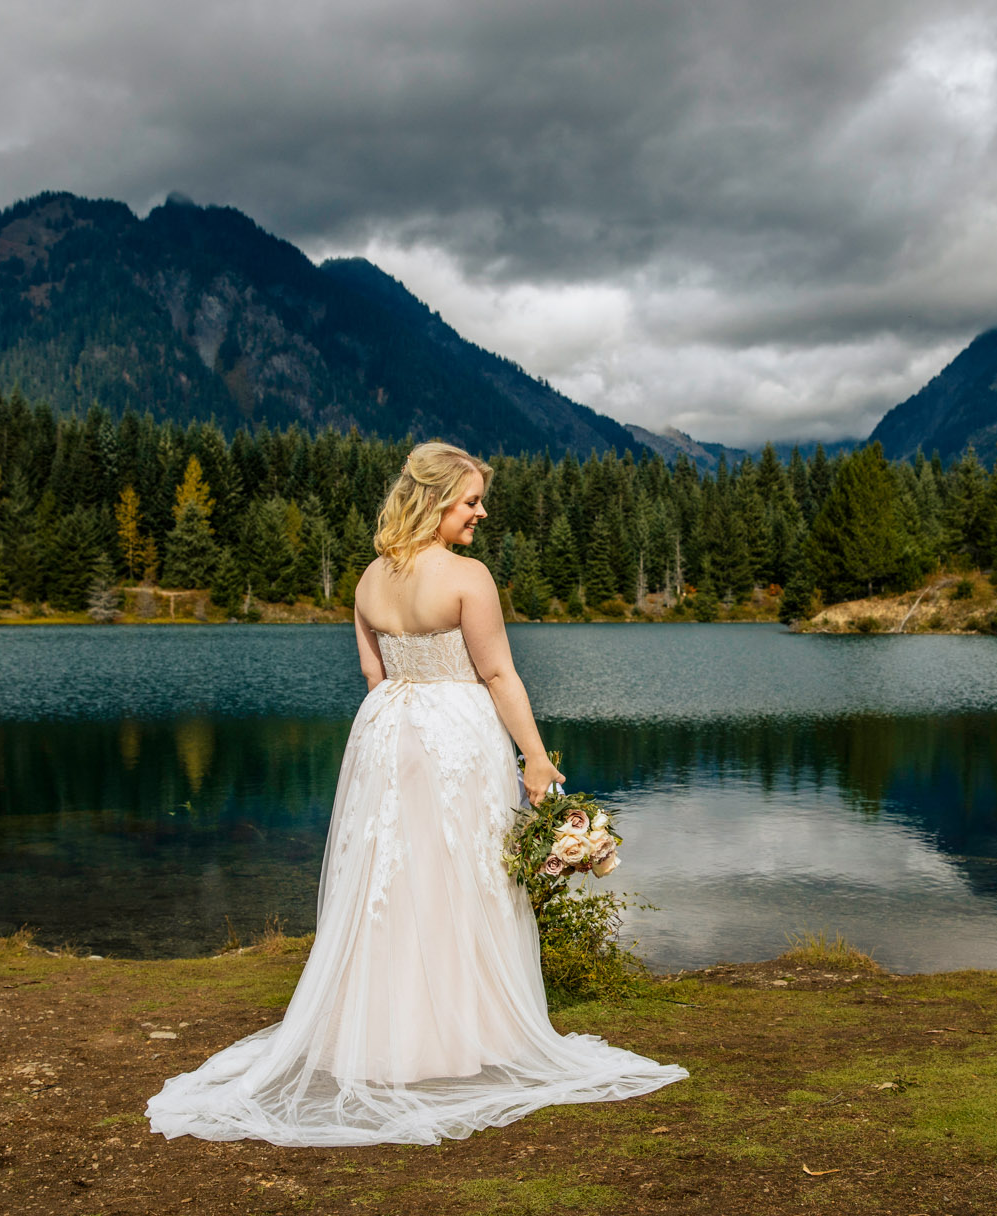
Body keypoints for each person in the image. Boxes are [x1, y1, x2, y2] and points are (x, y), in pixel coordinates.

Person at [147, 441, 686, 1146]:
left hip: (386, 733)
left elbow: (375, 674)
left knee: (389, 877)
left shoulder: (369, 578)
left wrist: (402, 726)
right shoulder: (468, 578)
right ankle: (461, 1037)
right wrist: (532, 756)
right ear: (433, 502)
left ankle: (379, 1036)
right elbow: (498, 676)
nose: (480, 512)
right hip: (456, 737)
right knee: (460, 877)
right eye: (469, 501)